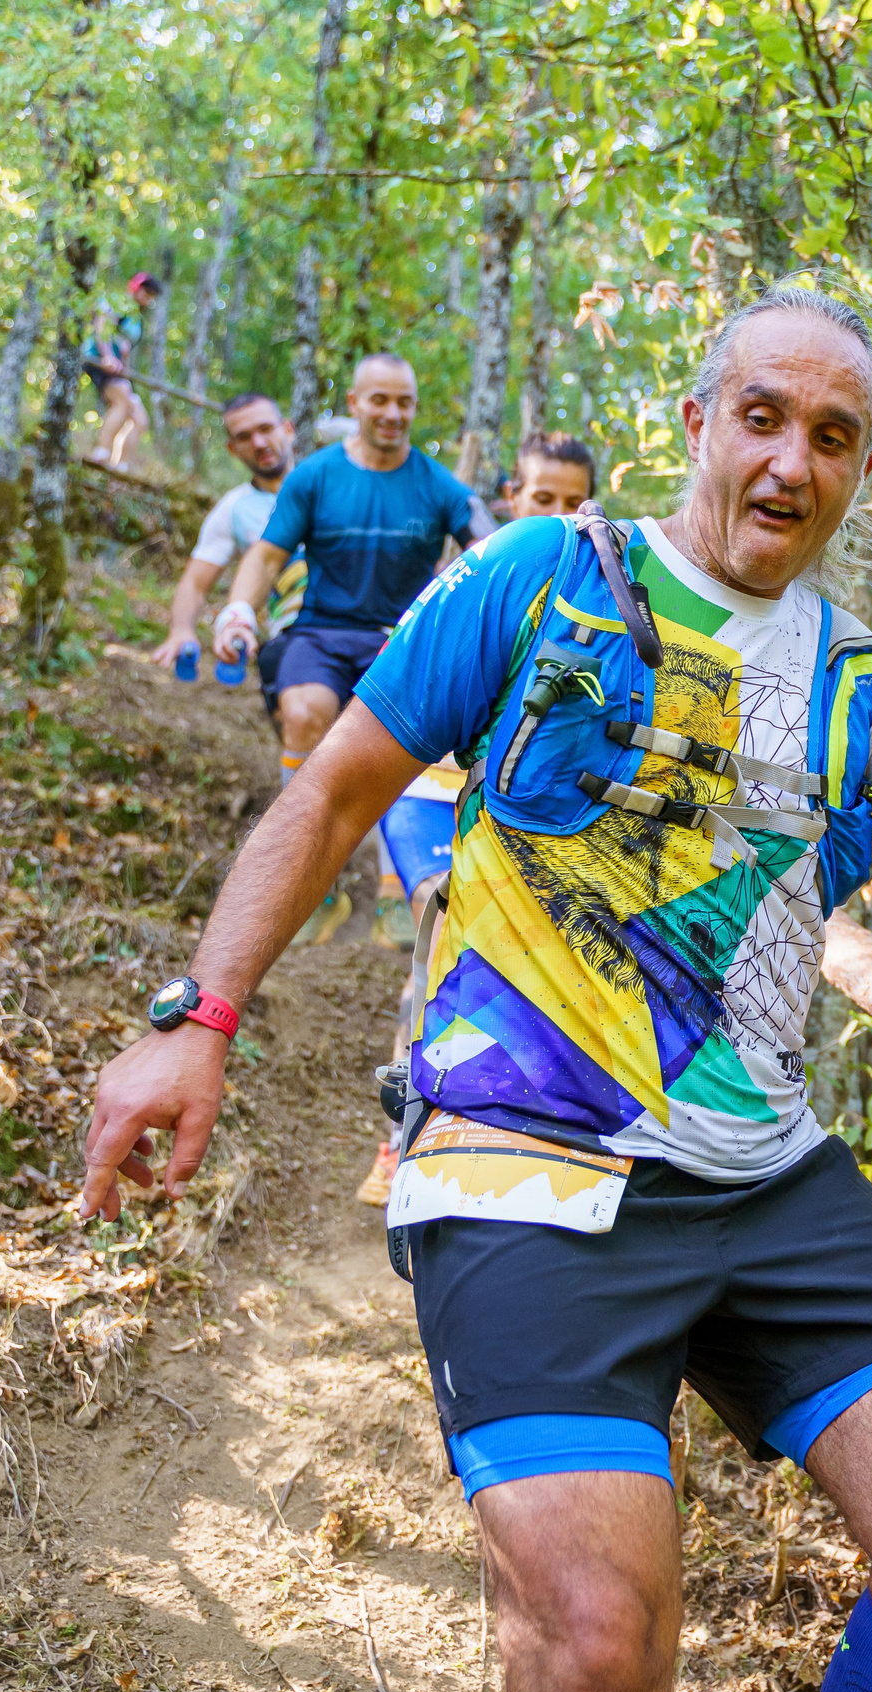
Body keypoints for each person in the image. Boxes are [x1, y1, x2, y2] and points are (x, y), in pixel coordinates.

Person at [80, 285, 872, 1692]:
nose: (792, 460)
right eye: (764, 416)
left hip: (760, 1169)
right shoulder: (543, 571)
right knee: (599, 1639)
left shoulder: (862, 681)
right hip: (521, 1158)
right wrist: (199, 1015)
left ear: (857, 472)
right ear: (700, 423)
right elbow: (336, 794)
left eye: (833, 436)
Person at [347, 426, 604, 1205]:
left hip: (521, 825)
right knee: (441, 937)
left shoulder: (606, 599)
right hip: (429, 799)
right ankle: (399, 1137)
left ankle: (501, 1132)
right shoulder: (475, 579)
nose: (557, 511)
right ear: (510, 501)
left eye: (572, 500)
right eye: (540, 498)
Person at [211, 353, 494, 947]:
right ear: (356, 404)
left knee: (403, 744)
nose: (393, 414)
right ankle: (317, 884)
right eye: (380, 400)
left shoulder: (437, 484)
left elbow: (489, 548)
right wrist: (238, 608)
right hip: (320, 630)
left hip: (403, 636)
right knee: (304, 712)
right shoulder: (313, 476)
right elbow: (265, 555)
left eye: (404, 402)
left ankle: (397, 892)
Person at [149, 393, 296, 678]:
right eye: (245, 437)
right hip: (292, 638)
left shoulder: (331, 483)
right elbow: (195, 581)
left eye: (266, 429)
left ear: (287, 429)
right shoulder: (234, 508)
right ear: (232, 449)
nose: (259, 443)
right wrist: (181, 629)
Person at [82, 273, 164, 470]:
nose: (148, 298)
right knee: (122, 401)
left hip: (118, 370)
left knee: (140, 419)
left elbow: (126, 347)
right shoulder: (116, 302)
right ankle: (101, 453)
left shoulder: (137, 317)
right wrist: (107, 355)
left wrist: (124, 367)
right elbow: (101, 325)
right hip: (97, 360)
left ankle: (121, 465)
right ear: (136, 287)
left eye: (152, 295)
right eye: (146, 292)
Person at [498, 429, 597, 519]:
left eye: (574, 504)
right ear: (512, 497)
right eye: (544, 500)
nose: (559, 514)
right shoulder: (493, 539)